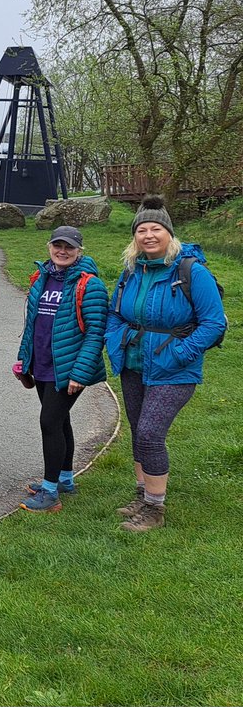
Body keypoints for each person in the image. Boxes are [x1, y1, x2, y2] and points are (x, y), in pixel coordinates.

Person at [105, 197, 226, 531]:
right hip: (133, 362)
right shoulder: (132, 271)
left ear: (169, 234)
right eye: (141, 229)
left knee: (150, 432)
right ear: (135, 237)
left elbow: (214, 323)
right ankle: (142, 495)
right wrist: (113, 339)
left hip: (173, 368)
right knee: (137, 428)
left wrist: (180, 355)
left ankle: (155, 510)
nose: (148, 235)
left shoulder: (191, 272)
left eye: (155, 228)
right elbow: (115, 313)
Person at [14, 226, 108, 513]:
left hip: (68, 368)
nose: (62, 251)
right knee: (60, 420)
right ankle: (66, 479)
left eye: (69, 247)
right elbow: (32, 325)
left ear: (80, 250)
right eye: (57, 245)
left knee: (49, 422)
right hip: (41, 363)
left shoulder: (89, 285)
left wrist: (80, 373)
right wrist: (24, 360)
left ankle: (50, 491)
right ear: (49, 247)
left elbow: (95, 333)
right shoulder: (41, 278)